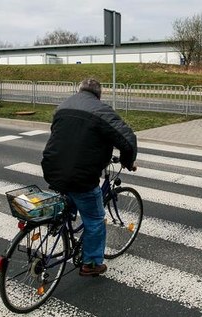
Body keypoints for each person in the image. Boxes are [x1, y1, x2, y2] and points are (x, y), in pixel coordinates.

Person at [41, 78, 137, 276]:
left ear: (79, 90)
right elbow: (127, 139)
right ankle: (91, 264)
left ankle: (61, 221)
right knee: (95, 218)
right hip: (81, 176)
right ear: (98, 94)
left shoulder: (63, 107)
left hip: (52, 169)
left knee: (70, 194)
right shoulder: (101, 110)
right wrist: (128, 162)